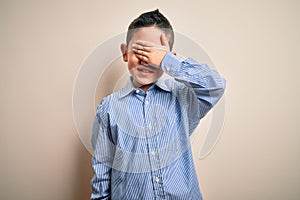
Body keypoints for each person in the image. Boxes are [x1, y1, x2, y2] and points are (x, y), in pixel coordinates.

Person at [90, 9, 226, 200]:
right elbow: (102, 173)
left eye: (155, 53)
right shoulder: (109, 108)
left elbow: (216, 85)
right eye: (140, 50)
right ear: (125, 53)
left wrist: (167, 60)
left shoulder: (183, 96)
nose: (147, 59)